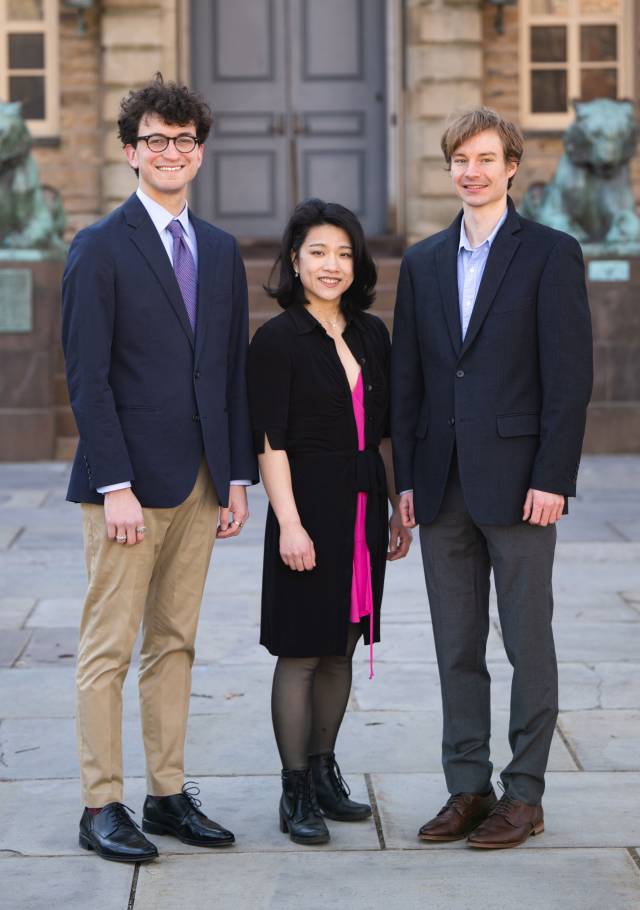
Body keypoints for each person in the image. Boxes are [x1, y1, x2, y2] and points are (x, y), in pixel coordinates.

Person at [61, 75, 257, 863]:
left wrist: (234, 476)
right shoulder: (99, 247)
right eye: (154, 140)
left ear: (199, 152)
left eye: (183, 140)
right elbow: (87, 377)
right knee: (108, 649)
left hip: (201, 483)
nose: (170, 152)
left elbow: (229, 371)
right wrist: (114, 484)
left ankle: (167, 794)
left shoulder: (220, 251)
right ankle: (100, 804)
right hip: (127, 490)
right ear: (129, 151)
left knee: (175, 644)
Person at [391, 108, 592, 849]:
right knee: (456, 645)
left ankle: (525, 794)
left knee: (528, 643)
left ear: (511, 167)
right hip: (440, 484)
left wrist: (553, 476)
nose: (471, 172)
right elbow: (409, 379)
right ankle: (468, 787)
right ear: (449, 168)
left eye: (485, 159)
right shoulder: (421, 262)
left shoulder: (550, 254)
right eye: (460, 160)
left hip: (521, 486)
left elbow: (568, 379)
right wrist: (405, 481)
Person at [247, 198, 412, 845]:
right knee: (301, 650)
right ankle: (293, 790)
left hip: (363, 507)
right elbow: (270, 442)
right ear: (295, 261)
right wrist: (289, 524)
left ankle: (322, 772)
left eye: (344, 253)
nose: (331, 264)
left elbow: (385, 432)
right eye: (318, 252)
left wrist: (397, 505)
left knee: (342, 645)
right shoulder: (276, 340)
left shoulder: (372, 334)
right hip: (307, 508)